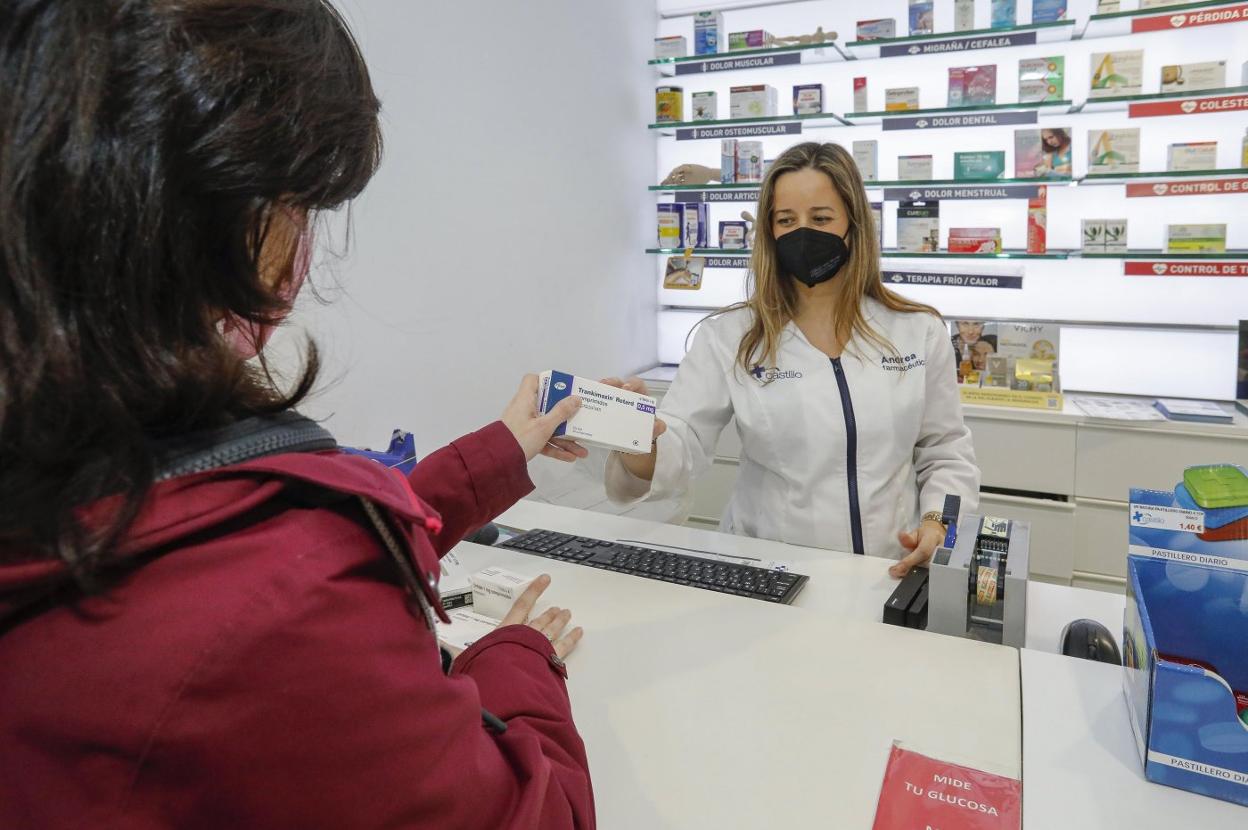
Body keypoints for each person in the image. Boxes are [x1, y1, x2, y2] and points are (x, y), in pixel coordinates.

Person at [0, 2, 594, 828]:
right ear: (240, 211)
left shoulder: (61, 450)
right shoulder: (283, 607)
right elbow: (542, 814)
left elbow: (215, 523)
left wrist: (496, 457)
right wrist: (519, 665)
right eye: (303, 204)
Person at [604, 142, 979, 578]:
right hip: (770, 578)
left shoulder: (916, 331)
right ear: (769, 232)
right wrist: (640, 438)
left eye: (820, 218)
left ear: (853, 226)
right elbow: (682, 441)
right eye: (786, 220)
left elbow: (945, 449)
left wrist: (939, 523)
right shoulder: (731, 337)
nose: (803, 233)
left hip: (889, 571)